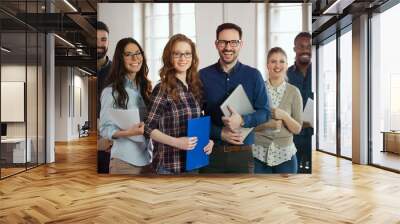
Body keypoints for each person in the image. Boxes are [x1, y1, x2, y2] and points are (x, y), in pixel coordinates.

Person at [199, 23, 270, 173]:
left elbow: (265, 112)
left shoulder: (254, 75)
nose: (228, 47)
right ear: (216, 44)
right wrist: (220, 133)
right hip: (210, 151)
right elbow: (195, 117)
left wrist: (243, 120)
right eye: (223, 42)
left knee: (243, 196)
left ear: (241, 44)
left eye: (233, 42)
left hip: (243, 153)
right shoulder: (202, 76)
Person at [144, 34, 213, 174]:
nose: (183, 58)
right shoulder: (162, 88)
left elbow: (199, 122)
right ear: (169, 57)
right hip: (169, 167)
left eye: (187, 54)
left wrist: (208, 141)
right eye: (177, 54)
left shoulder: (195, 87)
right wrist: (176, 142)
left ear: (193, 58)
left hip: (193, 163)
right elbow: (147, 128)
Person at [99, 38, 152, 174]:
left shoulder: (146, 88)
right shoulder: (110, 92)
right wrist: (130, 132)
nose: (135, 58)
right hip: (124, 162)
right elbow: (105, 129)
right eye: (128, 54)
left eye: (138, 53)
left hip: (149, 160)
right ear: (120, 59)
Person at [253, 47, 303, 174]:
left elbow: (297, 129)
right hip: (259, 154)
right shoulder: (258, 90)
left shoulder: (294, 92)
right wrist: (267, 125)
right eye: (273, 61)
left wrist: (285, 116)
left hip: (286, 156)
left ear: (287, 65)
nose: (277, 65)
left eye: (282, 61)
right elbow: (248, 126)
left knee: (287, 192)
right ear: (267, 65)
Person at [287, 32, 313, 173]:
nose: (305, 50)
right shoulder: (286, 76)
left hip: (313, 137)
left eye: (308, 47)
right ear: (294, 49)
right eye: (301, 46)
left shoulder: (319, 73)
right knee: (293, 174)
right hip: (293, 136)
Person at [97, 21, 112, 173]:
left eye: (103, 39)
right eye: (96, 39)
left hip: (110, 144)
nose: (100, 44)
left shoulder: (117, 73)